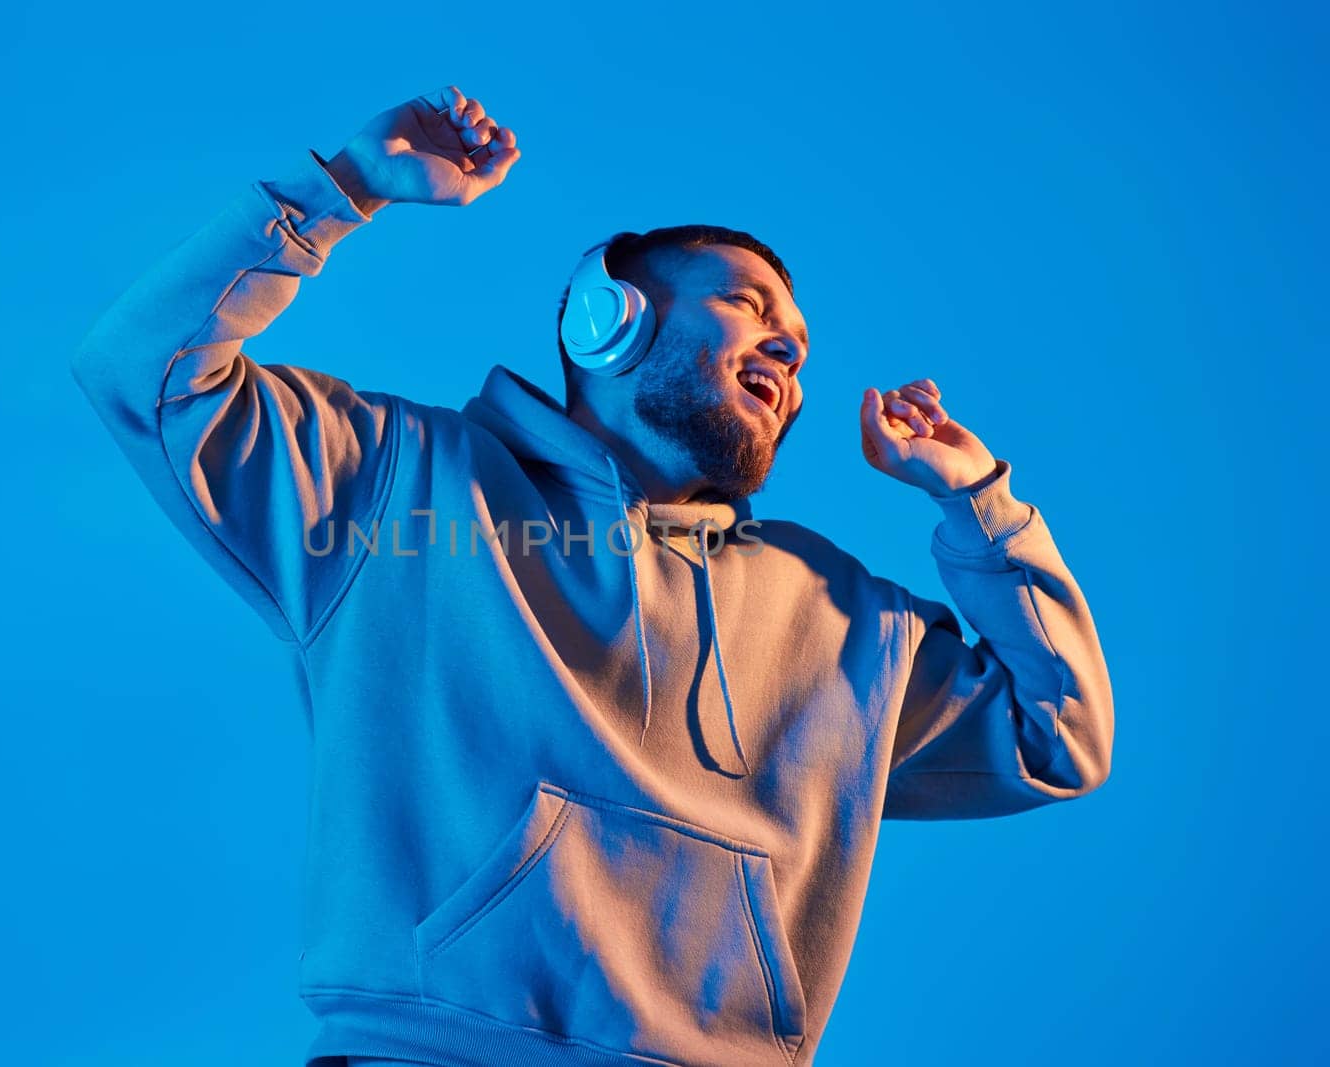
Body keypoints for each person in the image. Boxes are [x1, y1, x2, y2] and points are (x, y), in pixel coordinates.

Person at [71, 84, 1114, 1067]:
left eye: (796, 347)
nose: (787, 351)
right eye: (749, 306)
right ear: (604, 322)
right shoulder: (401, 488)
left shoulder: (843, 618)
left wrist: (977, 497)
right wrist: (341, 186)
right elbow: (146, 367)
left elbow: (1057, 736)